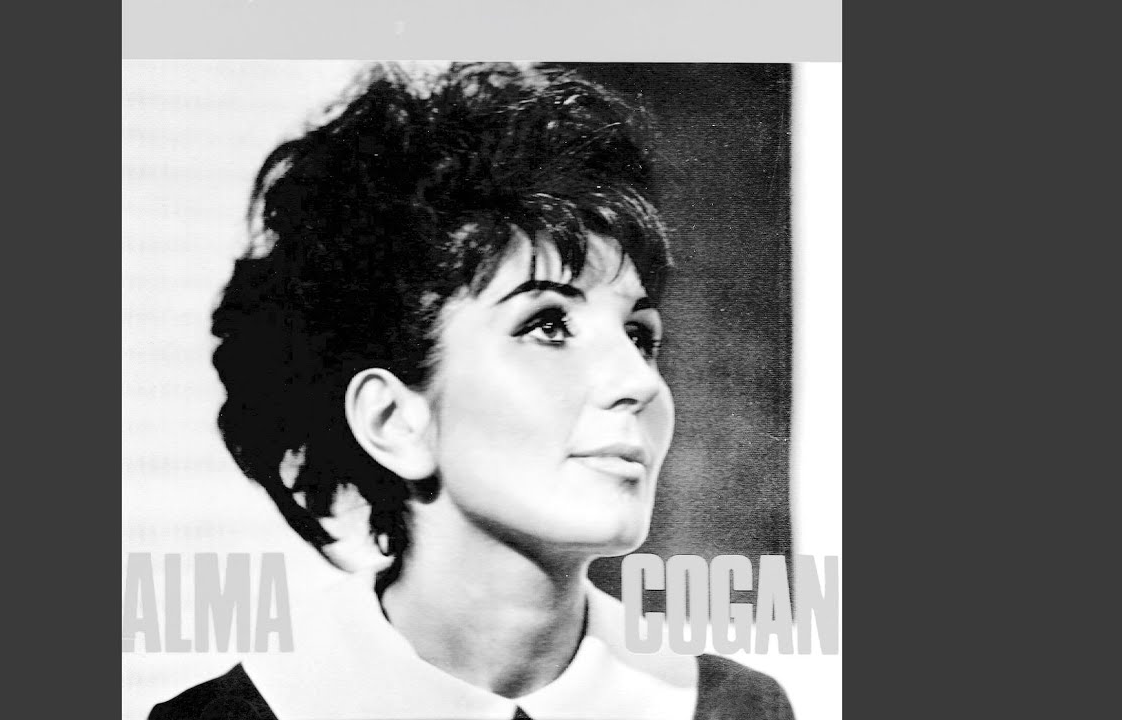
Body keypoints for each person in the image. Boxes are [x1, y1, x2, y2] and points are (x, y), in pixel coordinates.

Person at [151, 62, 793, 720]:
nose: (639, 381)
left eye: (639, 334)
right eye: (548, 326)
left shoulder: (733, 710)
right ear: (394, 420)